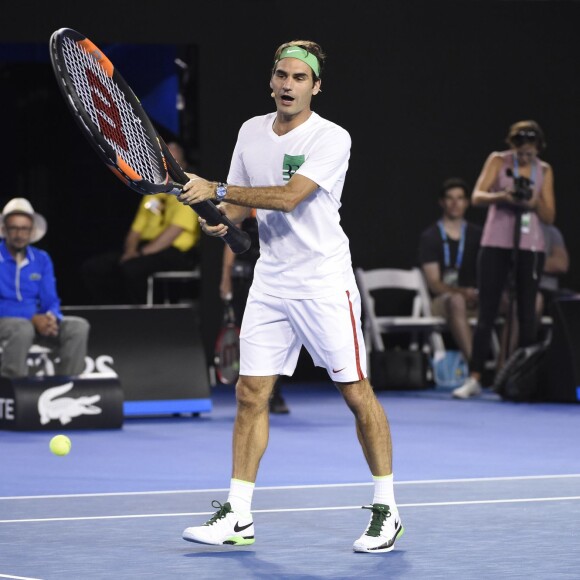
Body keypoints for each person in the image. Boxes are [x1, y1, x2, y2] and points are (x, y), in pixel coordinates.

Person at [178, 40, 403, 553]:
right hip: (272, 281)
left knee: (355, 392)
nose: (288, 84)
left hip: (324, 282)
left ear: (316, 86)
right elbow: (237, 205)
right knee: (250, 393)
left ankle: (387, 509)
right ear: (271, 79)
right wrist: (218, 217)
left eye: (300, 78)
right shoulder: (250, 131)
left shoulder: (332, 137)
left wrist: (215, 191)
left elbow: (287, 197)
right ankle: (238, 514)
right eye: (282, 75)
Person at [453, 120, 556, 399]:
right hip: (496, 242)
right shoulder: (498, 160)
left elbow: (549, 216)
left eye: (530, 153)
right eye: (520, 152)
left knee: (526, 313)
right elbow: (476, 196)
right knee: (487, 312)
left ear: (537, 150)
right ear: (513, 146)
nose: (524, 158)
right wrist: (502, 196)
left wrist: (533, 203)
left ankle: (524, 378)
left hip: (529, 245)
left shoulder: (544, 170)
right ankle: (475, 377)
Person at [81, 142, 201, 305]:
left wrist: (140, 254)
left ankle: (140, 315)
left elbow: (172, 233)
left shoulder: (189, 192)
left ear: (184, 165)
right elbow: (135, 230)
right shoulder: (152, 192)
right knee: (95, 268)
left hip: (175, 252)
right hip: (144, 248)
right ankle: (113, 311)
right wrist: (130, 250)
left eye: (175, 163)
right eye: (165, 163)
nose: (169, 168)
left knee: (132, 268)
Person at [0, 198, 89, 378]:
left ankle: (68, 388)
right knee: (22, 328)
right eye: (14, 228)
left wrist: (51, 318)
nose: (19, 234)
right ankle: (11, 392)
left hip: (36, 323)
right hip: (8, 323)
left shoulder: (41, 259)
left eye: (24, 229)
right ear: (4, 230)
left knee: (78, 327)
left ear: (31, 231)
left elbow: (50, 299)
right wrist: (31, 318)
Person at [220, 213, 289, 414]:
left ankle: (275, 394)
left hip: (277, 275)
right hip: (247, 279)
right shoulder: (247, 199)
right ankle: (254, 395)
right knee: (253, 340)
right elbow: (231, 235)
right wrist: (226, 276)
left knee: (277, 338)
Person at [418, 177, 482, 363]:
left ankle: (506, 368)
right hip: (444, 301)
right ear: (442, 202)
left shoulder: (479, 235)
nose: (455, 203)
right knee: (456, 300)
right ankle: (476, 368)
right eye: (450, 198)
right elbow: (435, 284)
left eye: (460, 198)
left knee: (509, 302)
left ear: (467, 202)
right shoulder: (430, 236)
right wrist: (463, 293)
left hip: (477, 299)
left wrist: (478, 293)